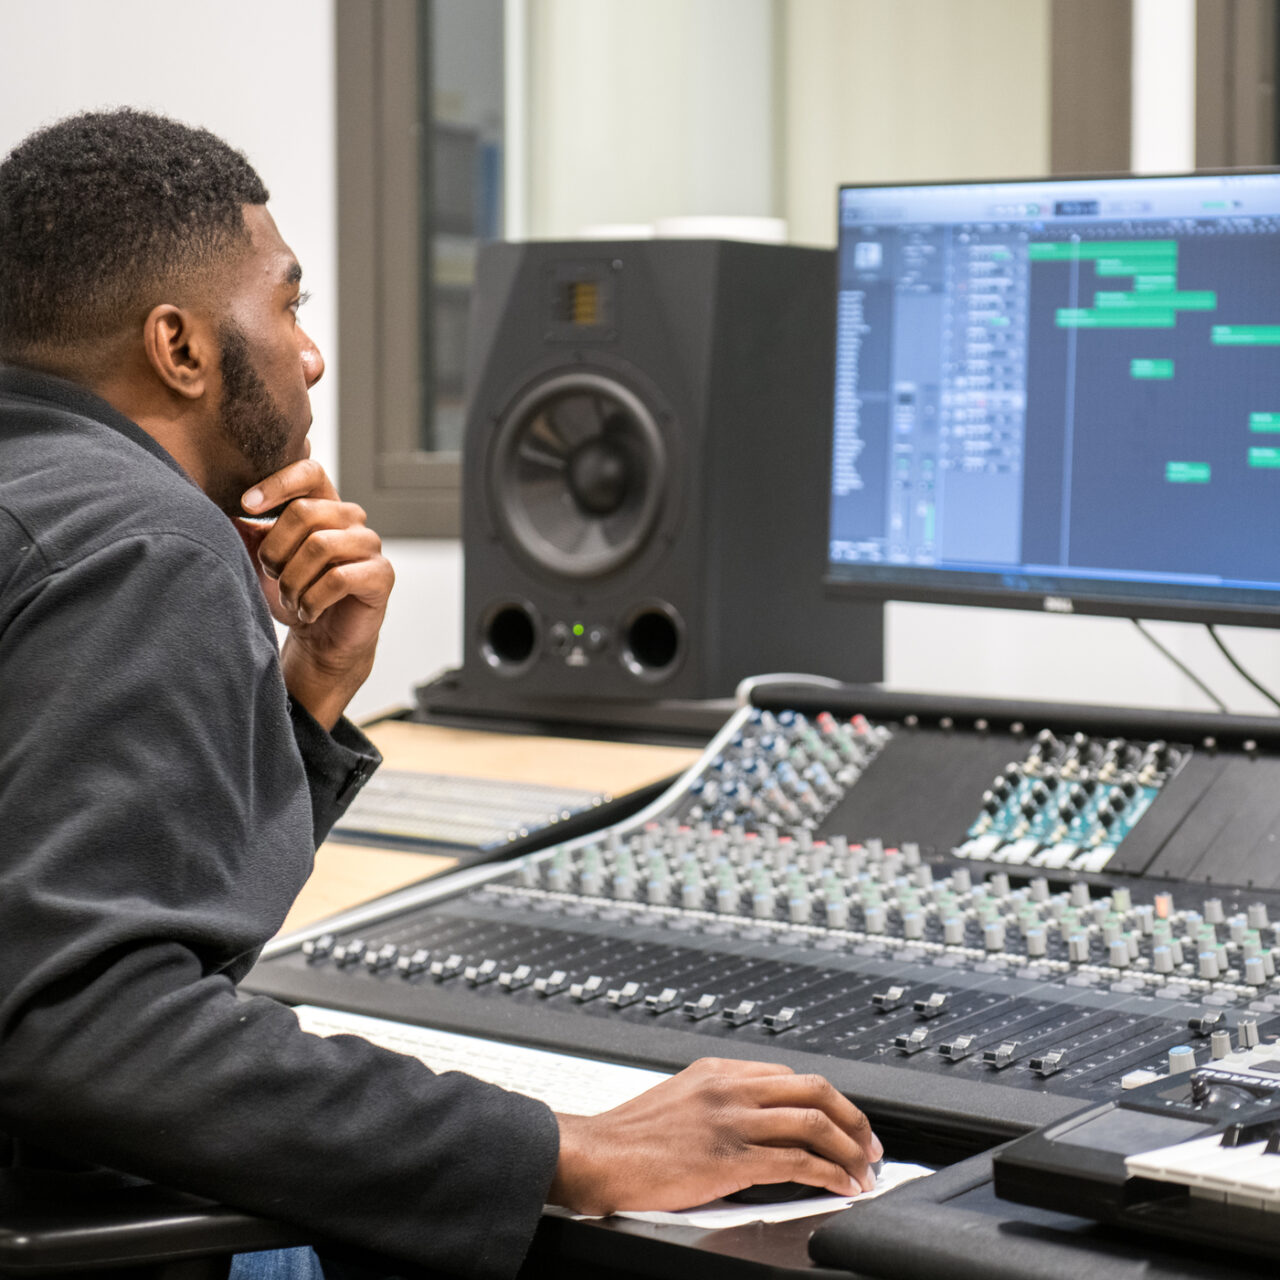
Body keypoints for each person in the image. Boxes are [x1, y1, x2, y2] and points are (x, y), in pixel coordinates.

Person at [0, 109, 881, 1280]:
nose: (308, 353)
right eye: (288, 303)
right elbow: (83, 1024)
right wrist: (565, 1146)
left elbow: (93, 905)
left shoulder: (44, 502)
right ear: (181, 347)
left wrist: (306, 688)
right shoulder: (147, 542)